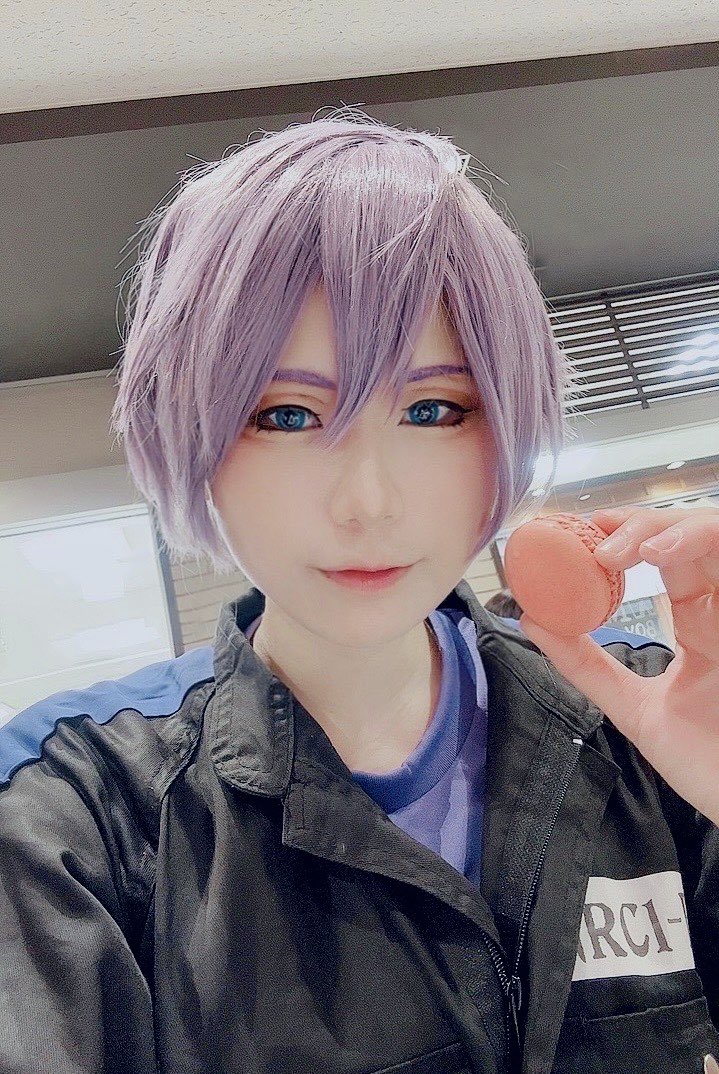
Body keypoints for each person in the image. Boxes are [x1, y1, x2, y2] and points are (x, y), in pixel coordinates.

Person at [1, 108, 718, 1074]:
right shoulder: (74, 813)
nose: (367, 501)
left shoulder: (655, 719)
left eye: (433, 409)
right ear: (192, 435)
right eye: (285, 415)